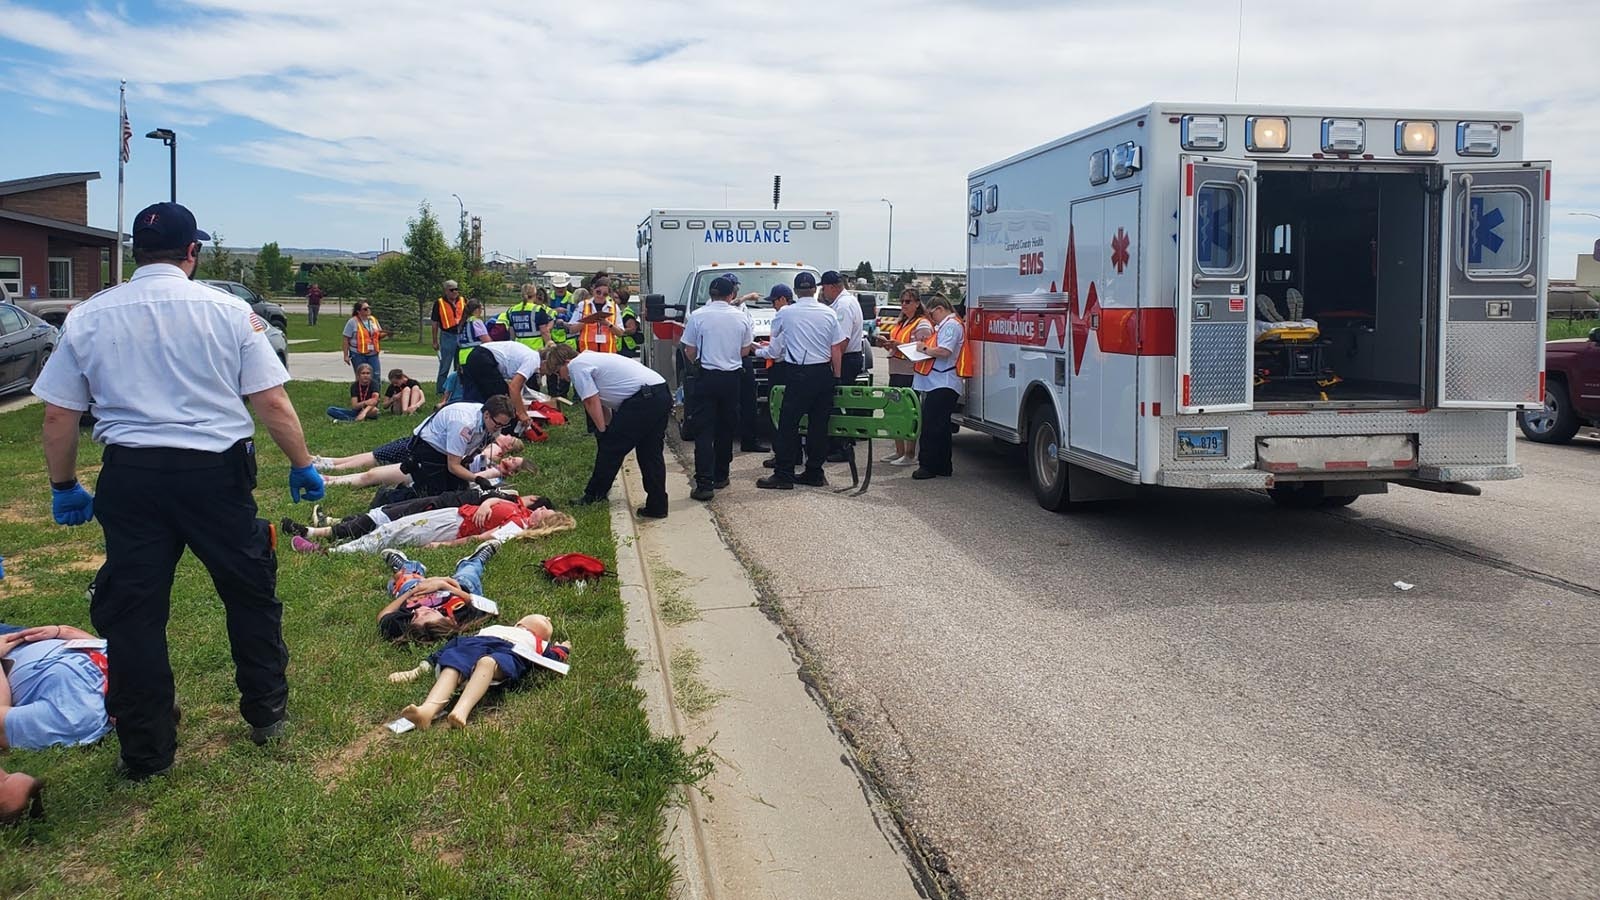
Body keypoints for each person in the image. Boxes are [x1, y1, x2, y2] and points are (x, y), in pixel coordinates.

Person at [32, 201, 325, 780]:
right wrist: (302, 464)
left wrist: (64, 485)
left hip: (132, 477)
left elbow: (58, 418)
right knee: (248, 593)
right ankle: (266, 712)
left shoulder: (89, 316)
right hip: (215, 476)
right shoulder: (228, 311)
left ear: (135, 254)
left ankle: (146, 750)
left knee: (133, 613)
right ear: (193, 253)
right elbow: (270, 401)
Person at [543, 343, 670, 518]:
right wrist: (607, 427)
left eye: (558, 372)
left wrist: (603, 432)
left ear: (565, 362)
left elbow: (590, 401)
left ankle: (594, 495)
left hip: (642, 400)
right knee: (650, 453)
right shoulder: (591, 359)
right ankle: (658, 505)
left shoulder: (576, 366)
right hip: (659, 392)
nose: (562, 378)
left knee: (610, 449)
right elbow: (602, 402)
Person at [390, 612, 570, 730]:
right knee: (453, 664)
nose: (548, 618)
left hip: (511, 652)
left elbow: (552, 658)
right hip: (476, 643)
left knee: (488, 663)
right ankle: (427, 711)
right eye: (543, 617)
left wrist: (562, 649)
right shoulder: (496, 628)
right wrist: (418, 669)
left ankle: (461, 710)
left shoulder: (540, 643)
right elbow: (450, 646)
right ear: (519, 623)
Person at [756, 272, 846, 490]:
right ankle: (814, 472)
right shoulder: (828, 313)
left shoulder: (785, 314)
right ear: (815, 290)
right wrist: (836, 377)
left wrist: (760, 352)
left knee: (788, 425)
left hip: (798, 373)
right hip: (823, 373)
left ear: (795, 292)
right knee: (818, 426)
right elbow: (837, 348)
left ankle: (784, 474)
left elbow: (776, 347)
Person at [283, 483, 543, 549]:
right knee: (384, 519)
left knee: (390, 527)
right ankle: (327, 530)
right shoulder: (515, 502)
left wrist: (445, 545)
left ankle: (325, 540)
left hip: (449, 519)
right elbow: (502, 495)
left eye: (542, 509)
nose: (538, 508)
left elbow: (487, 537)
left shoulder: (519, 522)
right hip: (446, 507)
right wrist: (490, 501)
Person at [680, 275, 754, 502]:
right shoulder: (740, 318)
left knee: (704, 431)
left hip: (706, 377)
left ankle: (704, 483)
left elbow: (689, 350)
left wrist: (698, 362)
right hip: (732, 379)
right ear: (732, 294)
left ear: (710, 294)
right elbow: (745, 350)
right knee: (726, 428)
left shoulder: (698, 316)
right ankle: (722, 474)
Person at [0, 623, 113, 751]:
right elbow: (101, 645)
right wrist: (61, 631)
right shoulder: (129, 669)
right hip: (21, 637)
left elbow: (2, 727)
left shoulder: (76, 717)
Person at [373, 543, 501, 642]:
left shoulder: (407, 624)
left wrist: (414, 590)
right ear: (448, 620)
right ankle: (475, 560)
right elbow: (491, 607)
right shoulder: (460, 616)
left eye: (415, 616)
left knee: (405, 579)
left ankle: (408, 566)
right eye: (427, 613)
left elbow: (383, 617)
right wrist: (445, 586)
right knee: (468, 574)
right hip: (457, 587)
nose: (419, 611)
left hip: (417, 590)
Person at [403, 395, 515, 496]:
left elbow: (478, 445)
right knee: (436, 496)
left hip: (447, 450)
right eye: (498, 424)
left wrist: (470, 458)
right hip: (429, 448)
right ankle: (393, 496)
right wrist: (477, 479)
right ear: (486, 415)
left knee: (461, 491)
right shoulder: (464, 424)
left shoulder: (490, 419)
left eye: (504, 425)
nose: (500, 429)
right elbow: (453, 466)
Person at [875, 288, 932, 465]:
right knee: (894, 410)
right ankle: (899, 451)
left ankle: (909, 453)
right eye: (902, 301)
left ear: (917, 303)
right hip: (896, 369)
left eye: (908, 301)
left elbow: (923, 349)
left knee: (908, 412)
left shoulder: (922, 324)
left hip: (910, 371)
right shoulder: (902, 322)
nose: (904, 305)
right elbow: (897, 346)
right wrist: (887, 344)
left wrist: (899, 345)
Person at [911, 294, 966, 480]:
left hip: (944, 382)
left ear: (940, 309)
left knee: (931, 426)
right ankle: (943, 466)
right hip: (940, 382)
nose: (931, 318)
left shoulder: (951, 326)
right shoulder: (946, 325)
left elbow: (944, 351)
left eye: (932, 314)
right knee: (940, 427)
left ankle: (928, 465)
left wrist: (924, 349)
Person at [819, 271, 865, 463]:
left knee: (838, 404)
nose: (823, 292)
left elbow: (842, 341)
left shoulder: (843, 306)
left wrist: (833, 362)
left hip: (845, 358)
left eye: (823, 288)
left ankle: (841, 446)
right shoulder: (846, 301)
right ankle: (842, 443)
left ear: (831, 287)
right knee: (840, 403)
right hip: (849, 357)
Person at [459, 340, 543, 427]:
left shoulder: (530, 354)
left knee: (473, 399)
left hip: (475, 355)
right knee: (503, 402)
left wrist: (521, 409)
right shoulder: (534, 360)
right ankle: (506, 429)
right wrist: (522, 414)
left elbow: (516, 388)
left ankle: (467, 424)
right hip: (484, 359)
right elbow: (513, 388)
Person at [569, 274, 625, 353]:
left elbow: (620, 333)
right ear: (593, 290)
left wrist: (608, 324)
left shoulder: (614, 307)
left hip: (607, 352)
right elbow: (572, 329)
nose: (601, 296)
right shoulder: (583, 305)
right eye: (598, 292)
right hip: (587, 352)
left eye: (605, 294)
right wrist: (586, 321)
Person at [431, 279, 467, 398]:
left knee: (460, 364)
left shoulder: (462, 300)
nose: (455, 292)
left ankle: (458, 388)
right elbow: (435, 323)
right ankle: (441, 390)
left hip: (461, 335)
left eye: (456, 289)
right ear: (446, 291)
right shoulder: (439, 303)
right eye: (452, 290)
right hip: (447, 335)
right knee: (445, 365)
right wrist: (435, 340)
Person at [499, 283, 553, 353]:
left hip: (519, 349)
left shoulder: (512, 310)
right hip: (536, 349)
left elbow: (512, 333)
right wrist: (549, 345)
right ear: (535, 294)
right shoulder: (538, 310)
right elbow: (544, 332)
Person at [342, 301, 387, 377]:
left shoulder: (373, 320)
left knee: (376, 375)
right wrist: (346, 355)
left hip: (373, 353)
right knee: (361, 377)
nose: (368, 310)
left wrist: (386, 334)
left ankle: (375, 389)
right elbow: (346, 339)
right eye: (365, 309)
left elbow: (378, 335)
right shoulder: (352, 322)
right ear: (358, 311)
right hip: (357, 354)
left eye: (369, 308)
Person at [455, 298, 493, 366]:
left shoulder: (463, 322)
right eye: (481, 308)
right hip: (475, 356)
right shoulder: (476, 322)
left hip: (462, 357)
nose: (481, 311)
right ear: (477, 309)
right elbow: (487, 341)